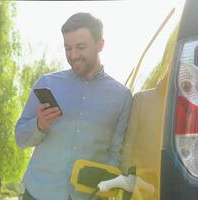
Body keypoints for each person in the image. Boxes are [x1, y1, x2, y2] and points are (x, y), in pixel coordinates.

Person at [15, 12, 132, 200]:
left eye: (81, 47)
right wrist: (39, 125)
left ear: (100, 44)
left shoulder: (122, 97)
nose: (73, 55)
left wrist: (102, 193)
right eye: (68, 48)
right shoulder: (47, 83)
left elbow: (115, 153)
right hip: (38, 192)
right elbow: (20, 138)